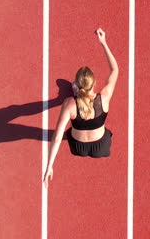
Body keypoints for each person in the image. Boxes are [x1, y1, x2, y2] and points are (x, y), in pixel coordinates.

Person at [43, 28, 119, 188]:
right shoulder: (104, 97)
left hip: (78, 147)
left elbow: (57, 136)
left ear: (78, 83)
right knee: (104, 131)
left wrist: (49, 166)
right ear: (94, 83)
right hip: (101, 147)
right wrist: (103, 43)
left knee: (69, 128)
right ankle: (83, 93)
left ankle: (80, 94)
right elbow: (115, 70)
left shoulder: (69, 103)